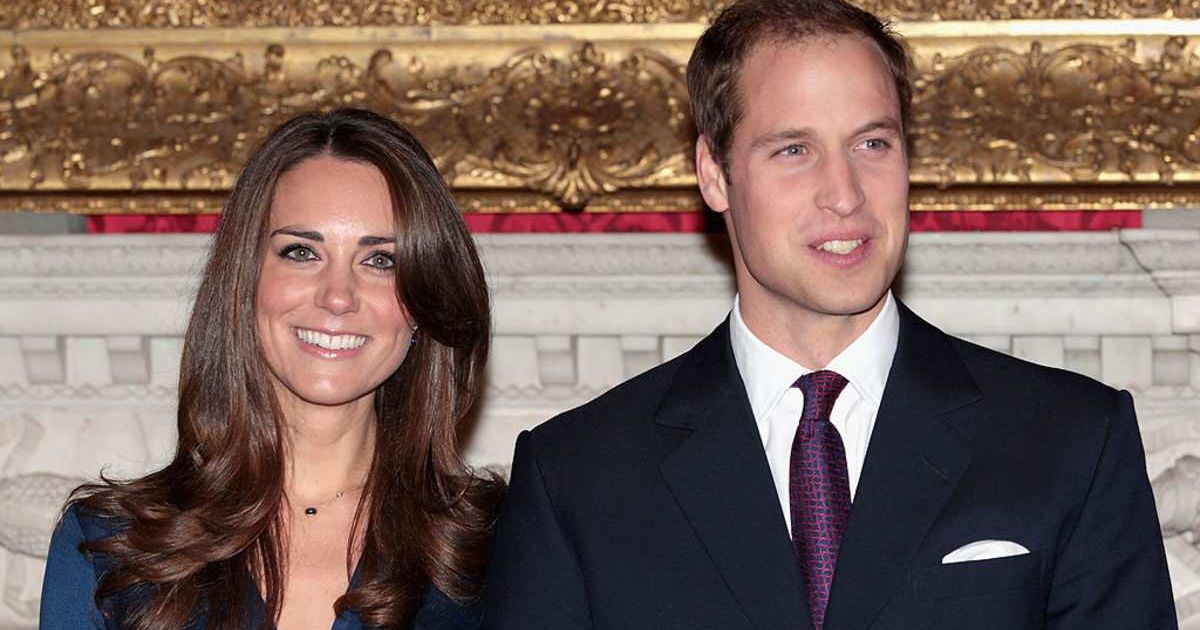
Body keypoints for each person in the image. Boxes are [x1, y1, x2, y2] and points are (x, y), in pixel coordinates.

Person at [483, 0, 1176, 628]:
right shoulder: (577, 478)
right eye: (794, 150)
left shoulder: (1071, 442)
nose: (845, 194)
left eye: (873, 144)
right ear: (715, 174)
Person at [40, 108, 502, 630]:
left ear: (422, 303)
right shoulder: (111, 547)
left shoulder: (501, 545)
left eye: (380, 260)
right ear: (246, 282)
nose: (337, 296)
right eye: (301, 252)